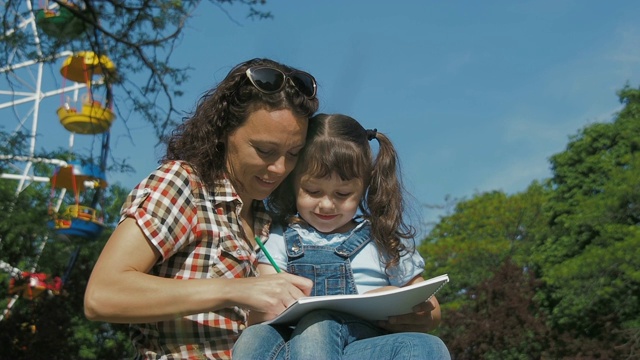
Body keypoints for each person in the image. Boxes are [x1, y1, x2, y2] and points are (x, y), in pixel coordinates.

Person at [83, 57, 320, 359]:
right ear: (224, 132)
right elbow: (102, 295)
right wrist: (237, 290)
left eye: (293, 153)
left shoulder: (271, 223)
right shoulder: (184, 185)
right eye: (264, 150)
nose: (279, 167)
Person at [233, 113, 451, 359]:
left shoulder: (382, 239)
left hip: (365, 346)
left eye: (342, 194)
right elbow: (258, 311)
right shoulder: (280, 238)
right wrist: (278, 298)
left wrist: (410, 310)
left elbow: (431, 311)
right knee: (263, 335)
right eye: (313, 191)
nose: (326, 205)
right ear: (293, 183)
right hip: (293, 344)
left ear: (364, 187)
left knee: (427, 346)